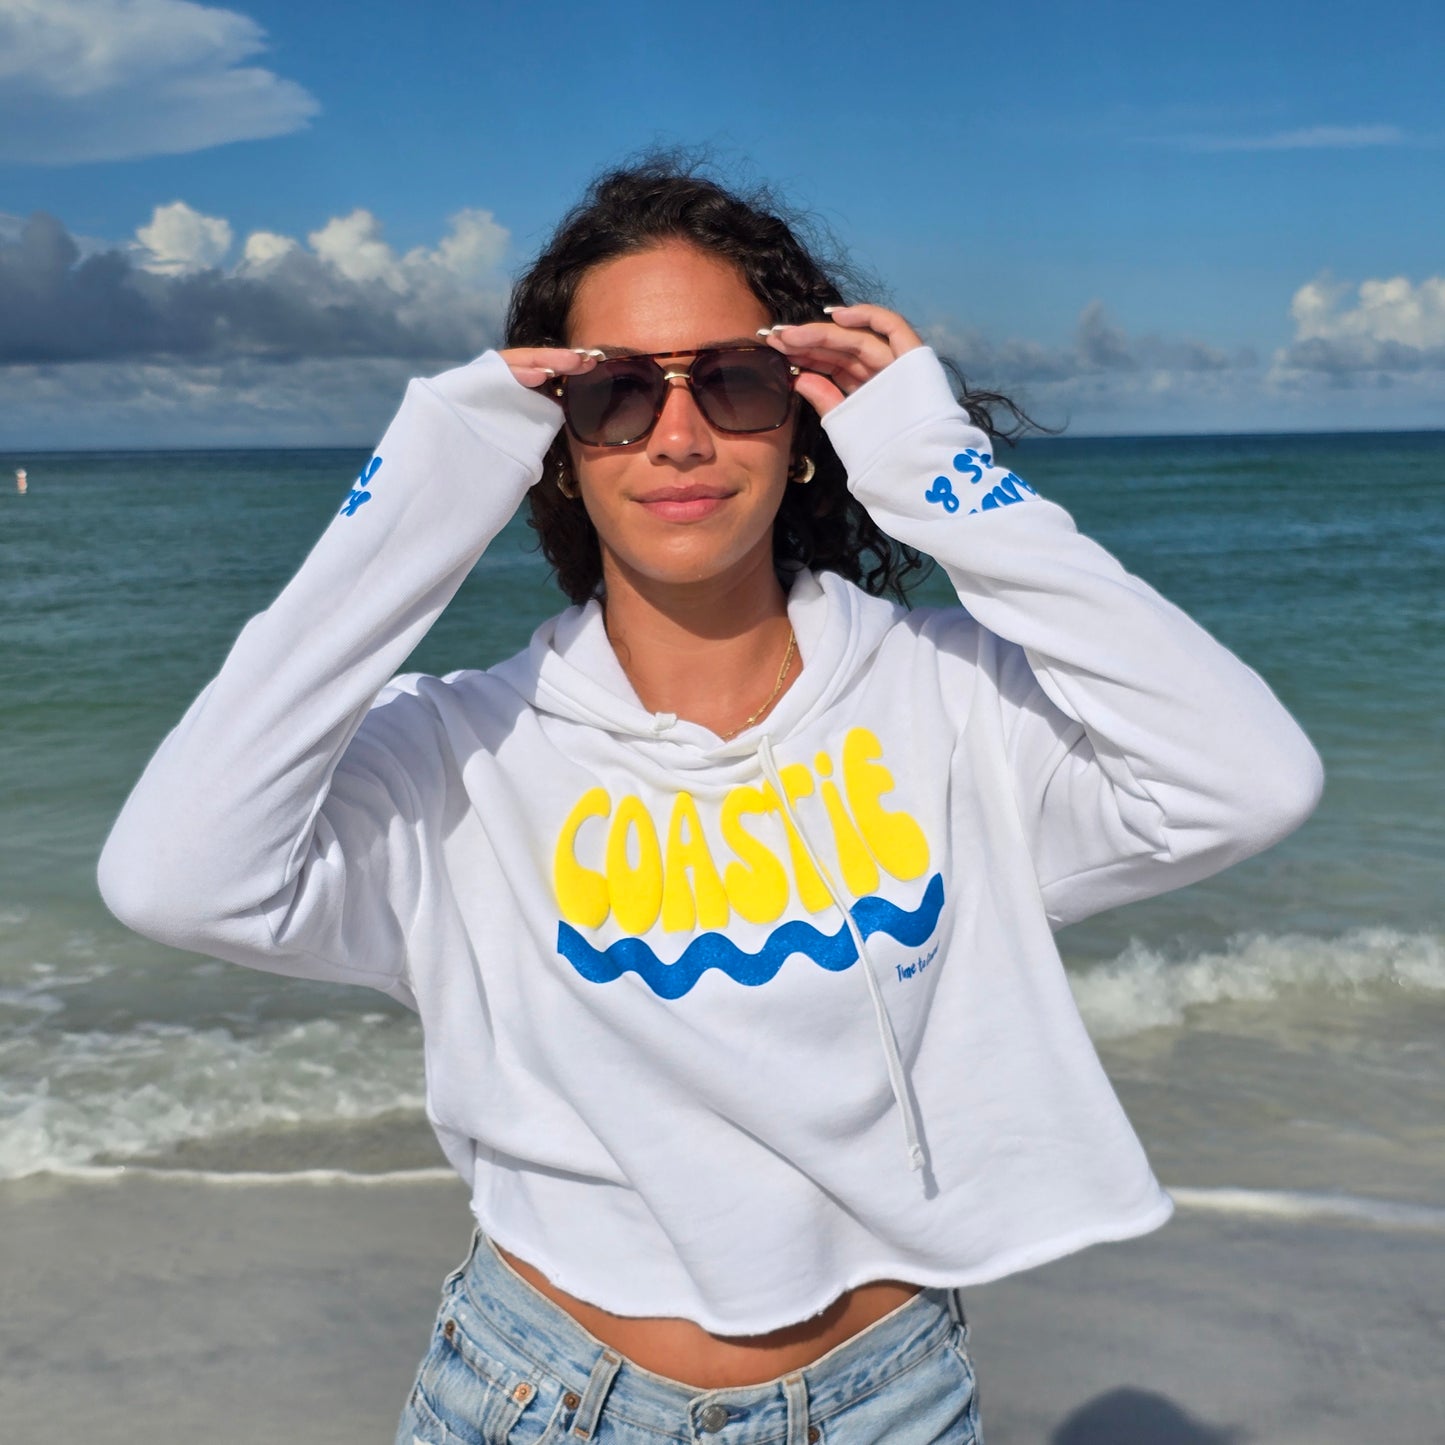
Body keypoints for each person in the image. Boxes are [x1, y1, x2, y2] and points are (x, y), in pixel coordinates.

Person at [98, 159, 1323, 1444]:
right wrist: (420, 498)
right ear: (553, 448)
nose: (676, 435)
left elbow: (1246, 780)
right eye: (614, 391)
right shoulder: (459, 750)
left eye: (730, 381)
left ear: (801, 424)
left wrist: (932, 465)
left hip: (890, 1402)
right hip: (540, 1396)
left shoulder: (953, 704)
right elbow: (175, 875)